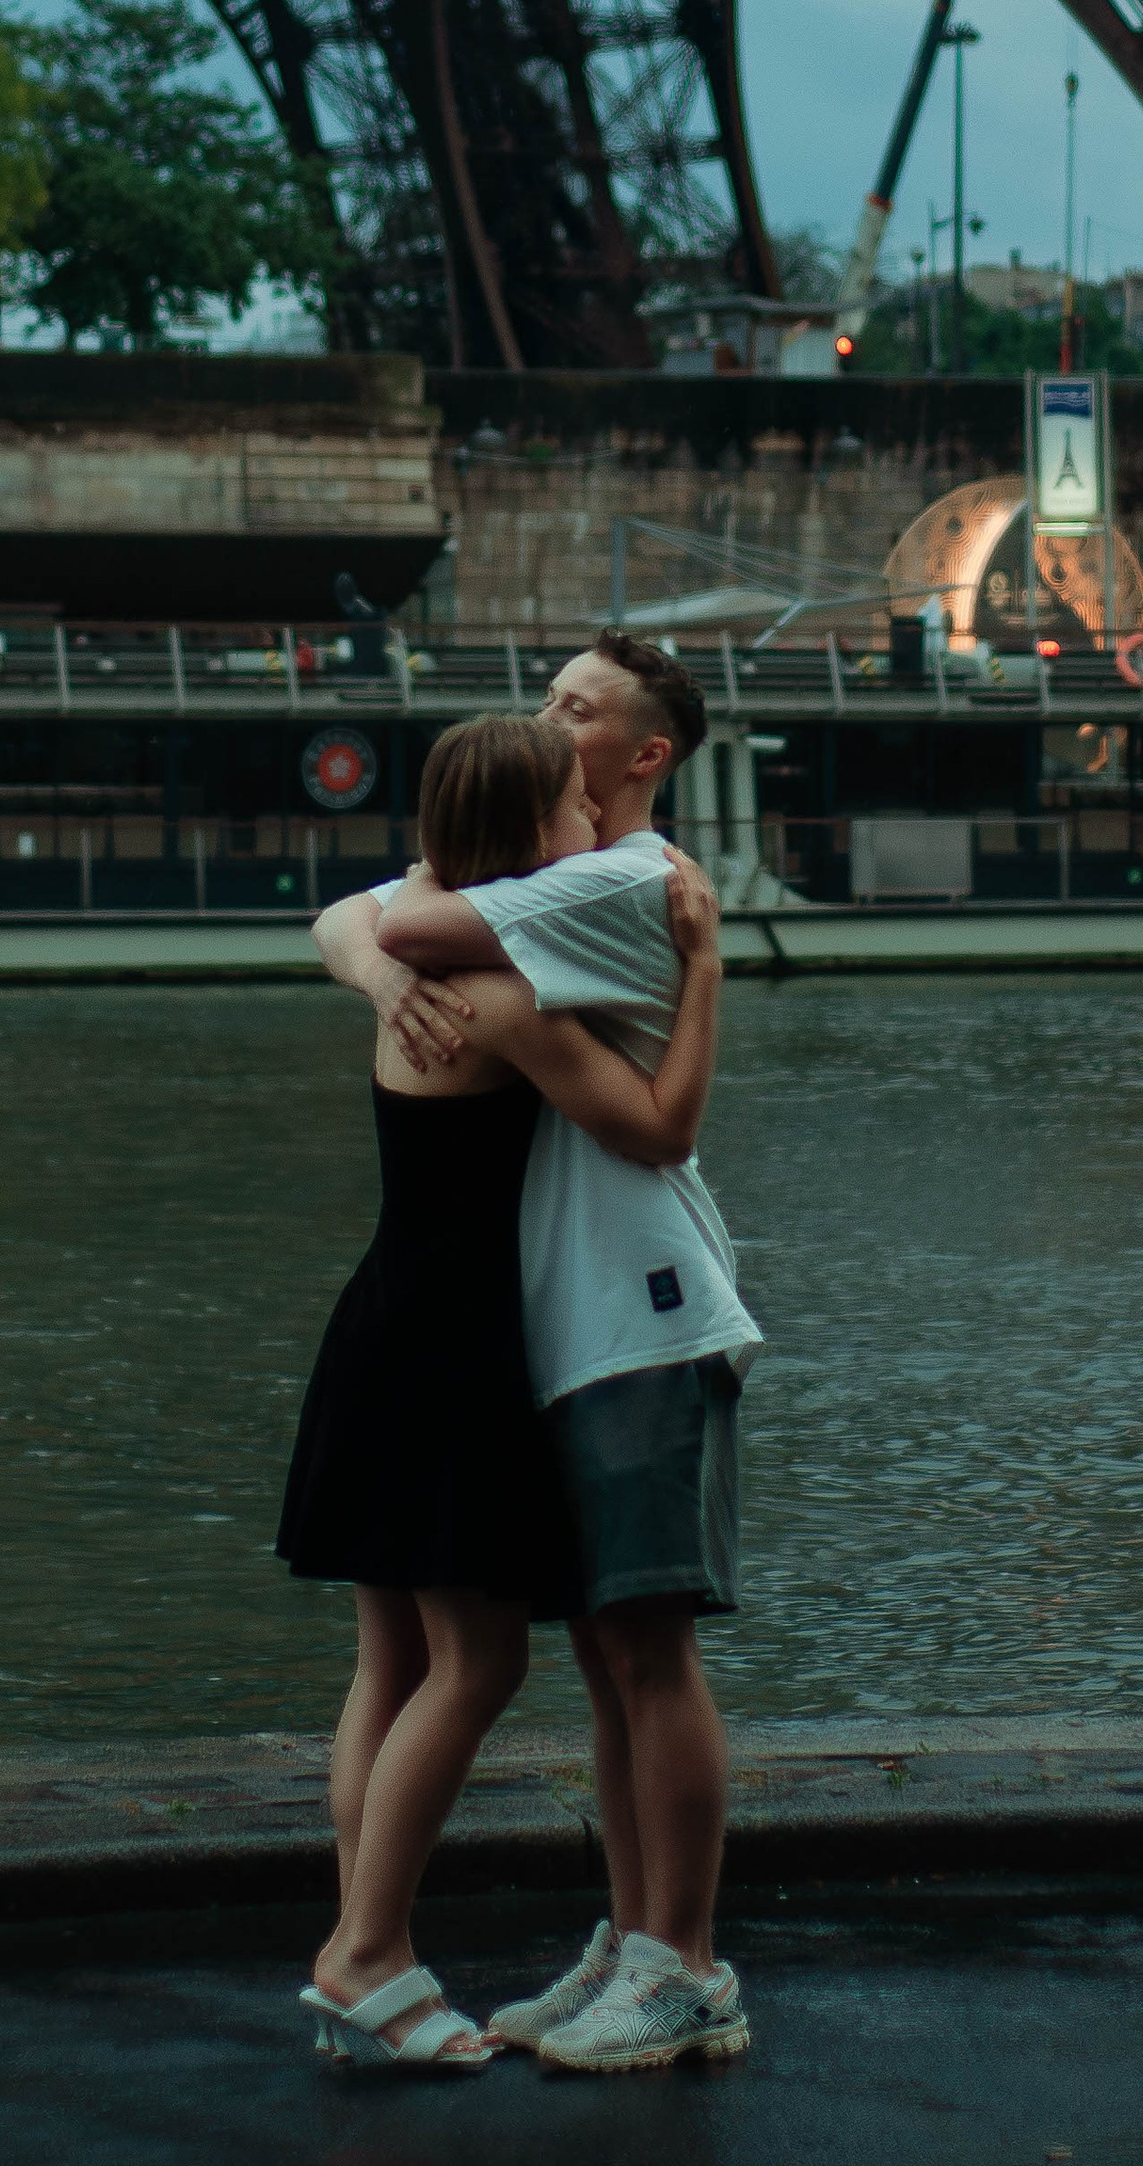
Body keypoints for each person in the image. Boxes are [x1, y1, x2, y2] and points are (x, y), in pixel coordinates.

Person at [314, 631, 760, 2076]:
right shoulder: (538, 893)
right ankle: (622, 1942)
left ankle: (673, 1959)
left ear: (646, 759)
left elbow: (399, 926)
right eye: (550, 706)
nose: (554, 723)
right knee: (596, 1653)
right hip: (528, 1328)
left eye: (582, 710)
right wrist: (382, 971)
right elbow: (353, 922)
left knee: (628, 1652)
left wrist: (705, 972)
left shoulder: (623, 878)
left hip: (627, 1313)